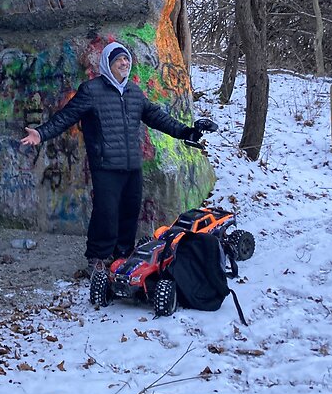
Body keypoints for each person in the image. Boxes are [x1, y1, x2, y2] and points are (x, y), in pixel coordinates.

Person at [20, 42, 215, 272]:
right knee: (106, 212)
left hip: (132, 164)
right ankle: (98, 257)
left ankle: (123, 255)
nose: (125, 63)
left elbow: (157, 117)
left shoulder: (133, 92)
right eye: (119, 60)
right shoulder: (91, 90)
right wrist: (41, 133)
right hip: (106, 165)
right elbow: (66, 117)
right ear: (107, 64)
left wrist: (186, 132)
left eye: (126, 60)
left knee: (130, 212)